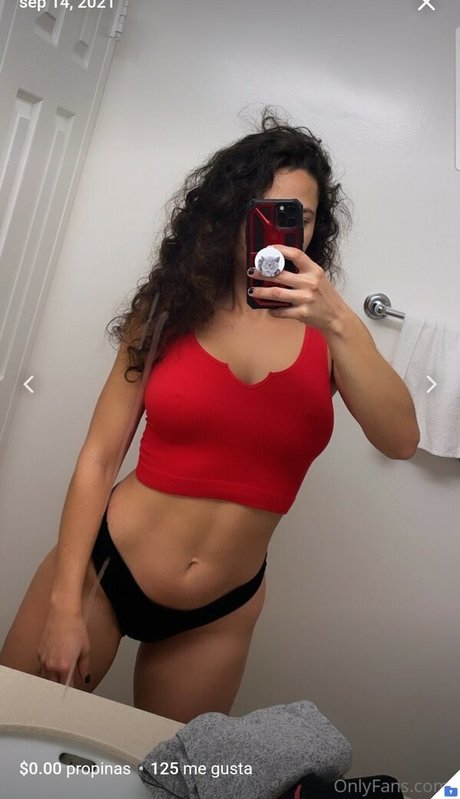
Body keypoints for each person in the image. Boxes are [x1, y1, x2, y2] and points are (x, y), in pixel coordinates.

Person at [0, 111, 420, 724]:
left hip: (221, 610)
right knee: (14, 739)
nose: (279, 228)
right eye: (261, 209)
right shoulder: (169, 308)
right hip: (102, 572)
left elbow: (401, 440)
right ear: (228, 211)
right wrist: (66, 604)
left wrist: (338, 319)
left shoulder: (331, 332)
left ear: (314, 227)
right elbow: (99, 457)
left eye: (298, 215)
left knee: (178, 770)